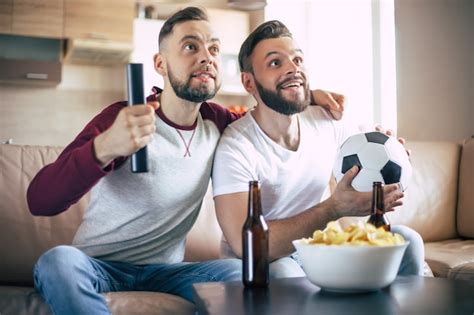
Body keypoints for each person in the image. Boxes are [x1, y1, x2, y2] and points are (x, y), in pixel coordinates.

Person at [27, 7, 345, 314]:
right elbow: (40, 200)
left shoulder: (219, 124)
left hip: (168, 273)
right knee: (57, 262)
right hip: (98, 266)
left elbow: (266, 111)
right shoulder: (122, 119)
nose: (206, 56)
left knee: (240, 272)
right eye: (191, 46)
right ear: (161, 64)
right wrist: (104, 147)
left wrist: (306, 92)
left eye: (214, 49)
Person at [212, 20, 425, 279]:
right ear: (249, 82)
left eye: (298, 60)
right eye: (275, 63)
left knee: (407, 242)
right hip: (268, 261)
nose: (293, 69)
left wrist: (393, 158)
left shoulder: (327, 120)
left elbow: (368, 164)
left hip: (320, 248)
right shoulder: (236, 146)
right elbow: (244, 244)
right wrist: (333, 208)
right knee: (284, 273)